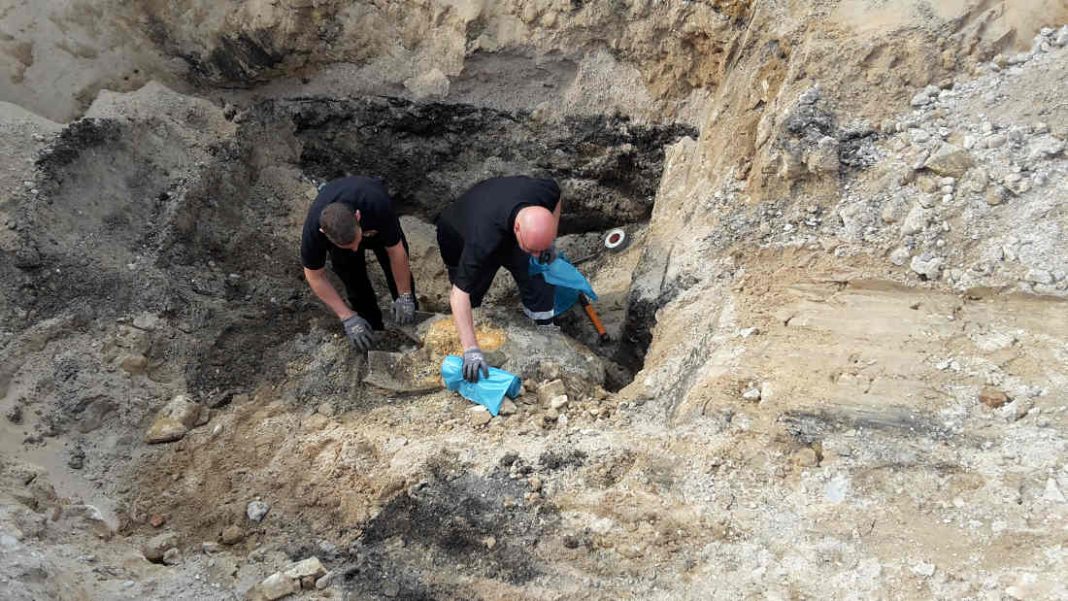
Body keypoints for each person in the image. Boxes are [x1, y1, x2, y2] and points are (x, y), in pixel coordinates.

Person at [435, 175, 561, 382]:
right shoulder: (481, 239)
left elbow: (557, 196)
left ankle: (544, 326)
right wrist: (471, 349)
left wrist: (549, 242)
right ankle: (471, 325)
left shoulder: (544, 190)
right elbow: (459, 295)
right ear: (518, 229)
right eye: (533, 249)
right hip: (457, 233)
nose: (537, 254)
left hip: (502, 213)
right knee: (471, 292)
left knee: (538, 272)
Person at [300, 176, 417, 351]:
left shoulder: (375, 203)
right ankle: (372, 330)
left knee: (395, 273)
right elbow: (315, 276)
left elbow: (396, 252)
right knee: (354, 281)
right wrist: (346, 316)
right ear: (324, 232)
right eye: (349, 245)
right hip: (347, 237)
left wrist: (405, 295)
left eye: (356, 242)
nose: (356, 248)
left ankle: (412, 324)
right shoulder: (313, 232)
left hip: (374, 228)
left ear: (357, 215)